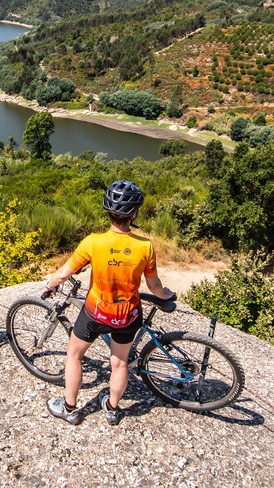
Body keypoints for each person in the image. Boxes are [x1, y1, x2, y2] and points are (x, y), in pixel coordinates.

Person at [42, 180, 174, 425]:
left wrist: (50, 285)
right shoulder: (146, 246)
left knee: (74, 356)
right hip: (128, 314)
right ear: (133, 214)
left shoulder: (93, 242)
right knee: (120, 362)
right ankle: (112, 409)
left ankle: (70, 409)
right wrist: (165, 295)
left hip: (95, 312)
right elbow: (154, 286)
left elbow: (63, 274)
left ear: (108, 211)